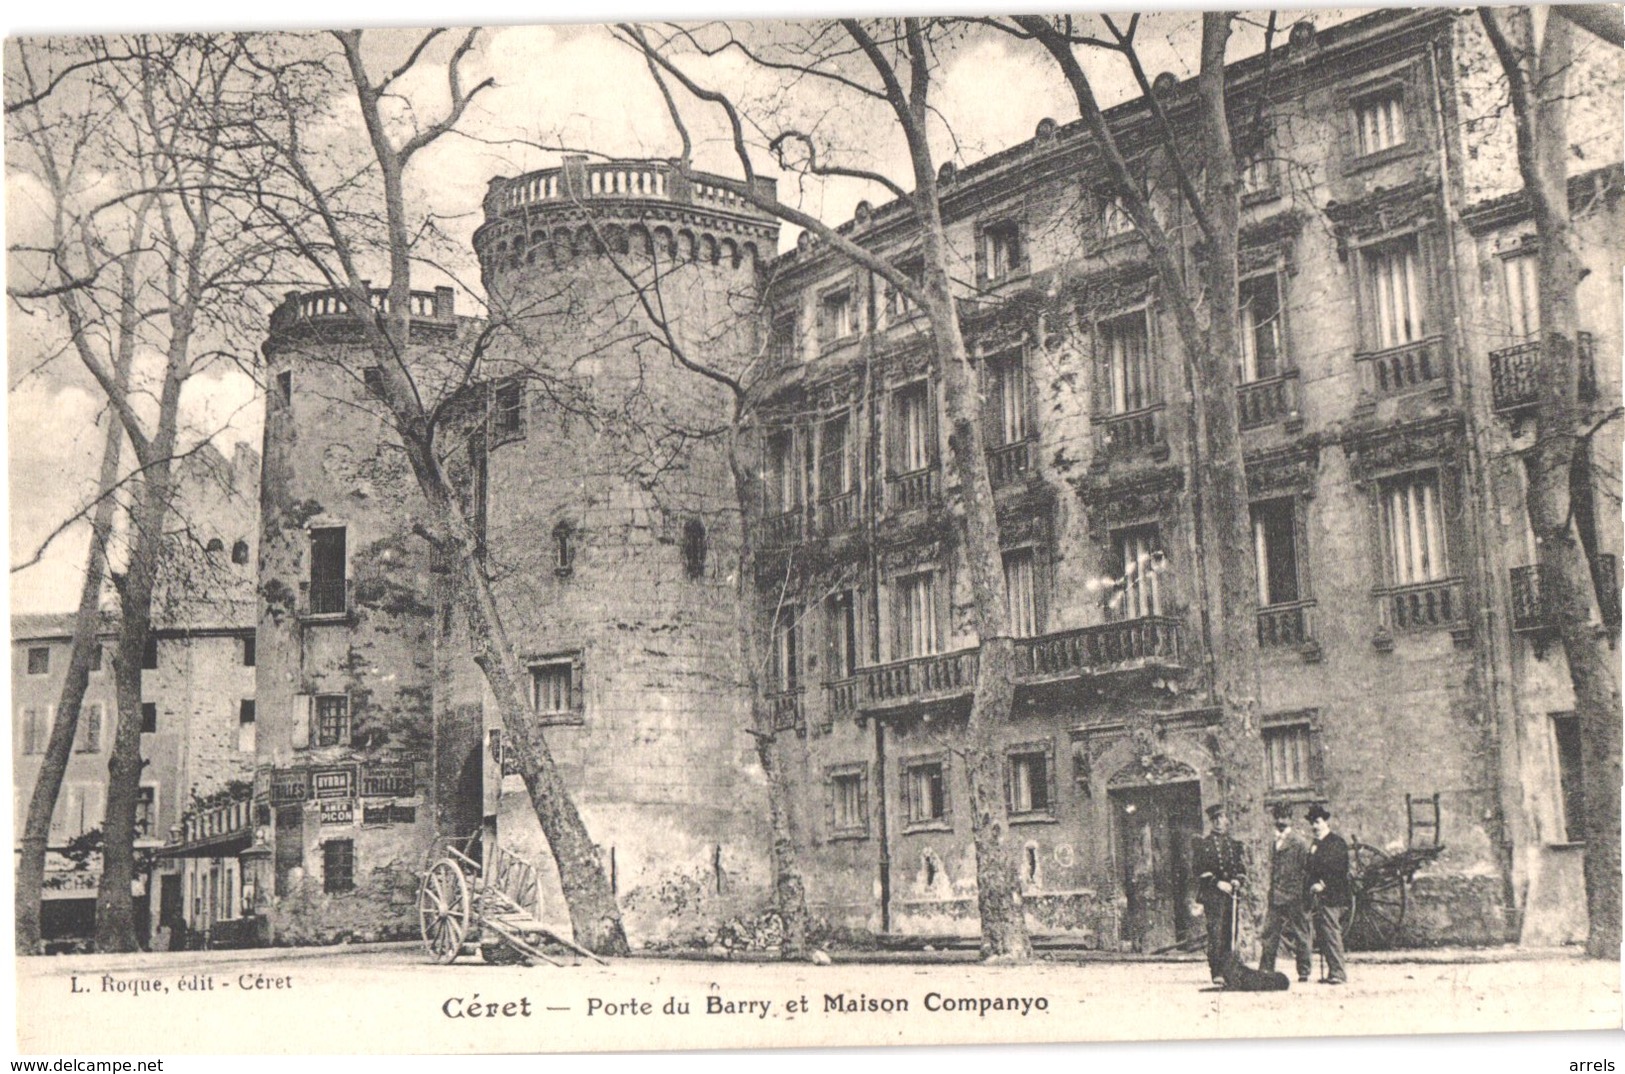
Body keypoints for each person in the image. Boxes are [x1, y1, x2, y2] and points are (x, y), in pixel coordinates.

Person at [1190, 802, 1246, 985]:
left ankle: (1230, 968)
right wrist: (1217, 883)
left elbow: (1240, 868)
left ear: (1226, 820)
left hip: (1231, 895)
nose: (1219, 822)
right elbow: (1199, 870)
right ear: (1211, 822)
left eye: (1221, 818)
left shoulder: (1234, 845)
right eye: (1215, 819)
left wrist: (1237, 880)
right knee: (1216, 932)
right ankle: (1217, 971)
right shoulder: (1204, 845)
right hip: (1213, 895)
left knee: (1230, 932)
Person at [1258, 801, 1313, 982]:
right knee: (1269, 933)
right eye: (1278, 817)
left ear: (1290, 819)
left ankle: (1304, 971)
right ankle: (1266, 969)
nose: (1281, 821)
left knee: (1301, 933)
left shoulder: (1299, 843)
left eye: (1284, 817)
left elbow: (1307, 870)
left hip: (1295, 895)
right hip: (1276, 895)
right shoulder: (1274, 842)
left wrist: (1304, 893)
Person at [1305, 802, 1350, 985]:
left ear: (1325, 822)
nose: (1314, 826)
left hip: (1334, 895)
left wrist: (1323, 885)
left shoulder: (1336, 842)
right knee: (1324, 933)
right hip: (1320, 897)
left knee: (1331, 933)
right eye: (1312, 823)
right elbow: (1310, 869)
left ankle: (1339, 973)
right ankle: (1332, 972)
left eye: (1317, 822)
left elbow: (1340, 869)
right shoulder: (1316, 844)